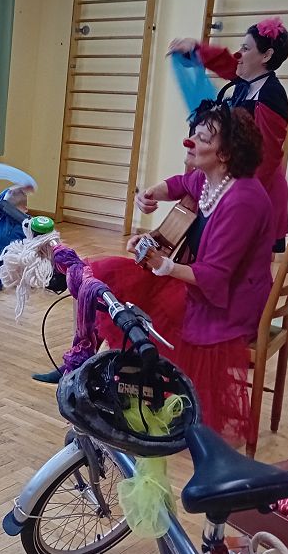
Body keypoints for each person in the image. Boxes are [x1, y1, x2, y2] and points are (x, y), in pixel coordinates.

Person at [91, 102, 275, 445]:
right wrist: (150, 195)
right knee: (105, 278)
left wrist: (164, 265)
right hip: (203, 286)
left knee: (144, 314)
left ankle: (132, 389)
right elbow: (179, 183)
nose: (190, 142)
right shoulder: (211, 180)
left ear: (224, 154)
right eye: (194, 134)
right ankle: (88, 367)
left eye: (202, 138)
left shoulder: (243, 200)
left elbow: (216, 275)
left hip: (227, 302)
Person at [166, 17, 288, 250]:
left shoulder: (271, 95)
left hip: (258, 191)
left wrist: (237, 196)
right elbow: (227, 62)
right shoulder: (245, 83)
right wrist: (194, 49)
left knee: (247, 259)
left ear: (266, 55)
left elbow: (266, 159)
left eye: (246, 48)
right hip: (235, 186)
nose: (239, 53)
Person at [0, 187, 31, 279]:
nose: (12, 214)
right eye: (10, 209)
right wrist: (15, 188)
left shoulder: (27, 224)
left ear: (25, 209)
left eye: (16, 210)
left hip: (14, 261)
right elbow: (3, 197)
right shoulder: (4, 217)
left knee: (13, 279)